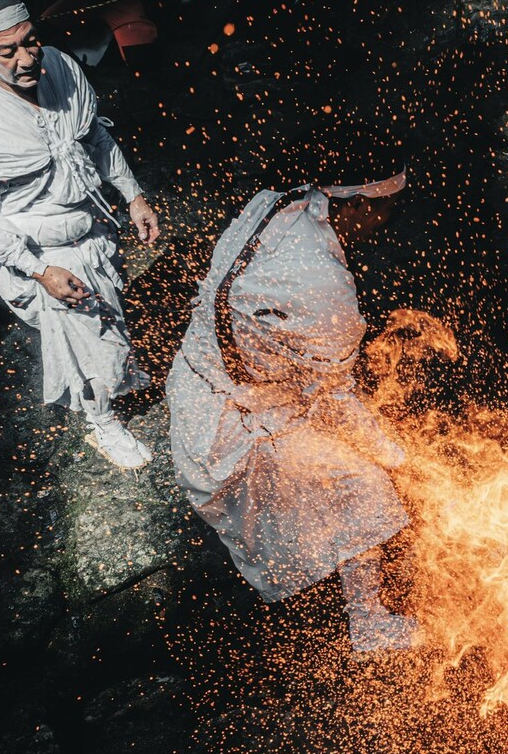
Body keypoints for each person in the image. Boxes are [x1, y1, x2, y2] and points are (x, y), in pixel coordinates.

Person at [167, 160, 417, 654]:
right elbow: (337, 403)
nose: (387, 221)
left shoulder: (275, 200)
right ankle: (367, 624)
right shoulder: (323, 289)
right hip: (230, 424)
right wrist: (398, 458)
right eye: (386, 208)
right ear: (361, 203)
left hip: (193, 377)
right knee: (366, 486)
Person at [0, 0, 160, 469]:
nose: (26, 59)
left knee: (105, 321)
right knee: (87, 335)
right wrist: (40, 271)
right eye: (6, 51)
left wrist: (134, 195)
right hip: (43, 250)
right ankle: (102, 424)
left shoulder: (59, 64)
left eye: (30, 41)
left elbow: (95, 139)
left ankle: (111, 374)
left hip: (91, 224)